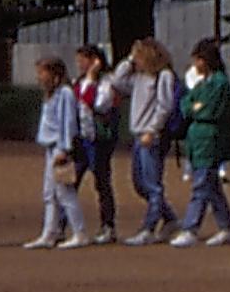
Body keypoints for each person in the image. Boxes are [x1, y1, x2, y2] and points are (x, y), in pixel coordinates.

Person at [171, 39, 230, 248]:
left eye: (198, 60)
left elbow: (209, 110)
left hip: (210, 138)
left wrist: (195, 108)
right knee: (211, 187)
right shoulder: (203, 82)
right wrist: (194, 107)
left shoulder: (219, 83)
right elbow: (186, 104)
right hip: (197, 139)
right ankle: (226, 227)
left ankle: (190, 228)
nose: (195, 65)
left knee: (201, 185)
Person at [26, 55, 92, 249]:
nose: (39, 77)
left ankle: (80, 232)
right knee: (50, 193)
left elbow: (68, 122)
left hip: (60, 147)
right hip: (50, 147)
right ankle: (49, 233)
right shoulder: (51, 94)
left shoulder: (65, 93)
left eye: (42, 72)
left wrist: (64, 148)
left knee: (64, 192)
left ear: (54, 73)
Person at [119, 37, 180, 244]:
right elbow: (118, 81)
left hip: (151, 135)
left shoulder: (163, 76)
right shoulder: (138, 77)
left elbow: (165, 106)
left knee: (152, 184)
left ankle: (149, 227)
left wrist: (153, 130)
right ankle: (170, 218)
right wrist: (128, 60)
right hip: (138, 134)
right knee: (139, 183)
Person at [71, 45, 123, 242]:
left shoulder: (105, 83)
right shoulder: (78, 81)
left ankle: (108, 226)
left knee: (101, 182)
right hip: (81, 138)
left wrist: (92, 80)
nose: (80, 64)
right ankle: (62, 225)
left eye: (83, 60)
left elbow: (98, 103)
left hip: (98, 139)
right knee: (70, 181)